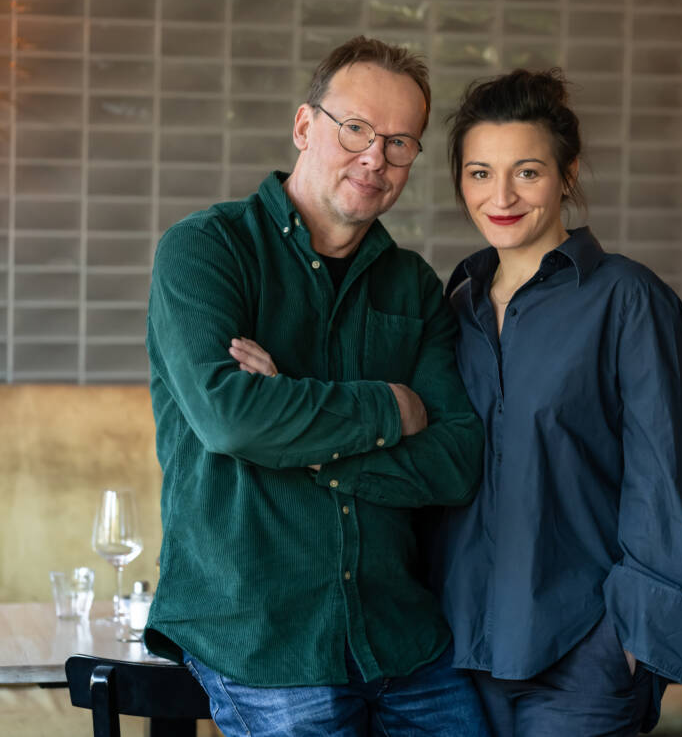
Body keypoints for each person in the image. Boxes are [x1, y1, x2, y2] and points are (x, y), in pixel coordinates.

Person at [144, 36, 490, 737]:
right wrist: (392, 405)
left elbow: (457, 459)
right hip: (264, 639)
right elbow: (233, 422)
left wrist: (292, 427)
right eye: (356, 129)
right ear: (305, 127)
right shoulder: (206, 251)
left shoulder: (415, 287)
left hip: (406, 638)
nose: (375, 157)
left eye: (400, 142)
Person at [431, 69, 682, 736]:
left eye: (526, 172)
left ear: (567, 174)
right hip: (451, 653)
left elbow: (664, 480)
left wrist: (632, 642)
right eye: (479, 172)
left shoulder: (628, 300)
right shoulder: (453, 308)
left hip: (581, 654)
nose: (499, 196)